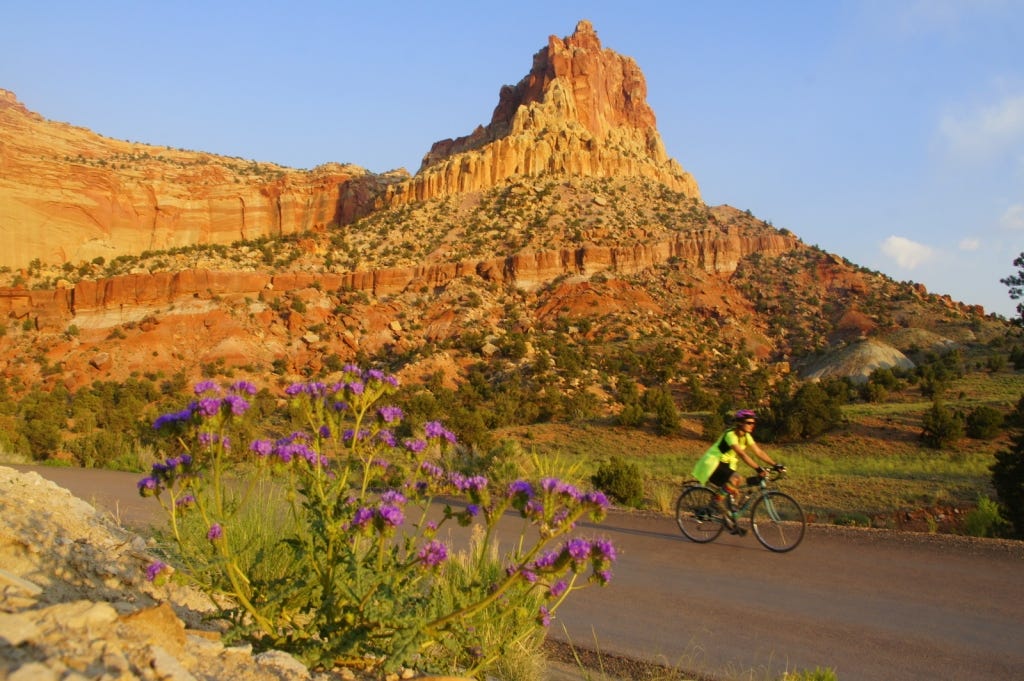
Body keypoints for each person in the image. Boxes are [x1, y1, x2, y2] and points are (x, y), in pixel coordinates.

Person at [692, 409, 781, 535]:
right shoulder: (730, 435)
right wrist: (757, 468)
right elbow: (742, 454)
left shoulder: (746, 436)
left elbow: (759, 452)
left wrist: (776, 465)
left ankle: (730, 524)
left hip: (727, 465)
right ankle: (716, 501)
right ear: (740, 423)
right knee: (736, 478)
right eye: (749, 423)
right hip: (713, 463)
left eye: (753, 423)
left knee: (736, 492)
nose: (752, 425)